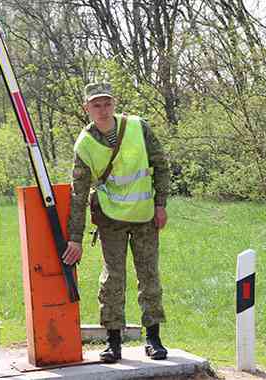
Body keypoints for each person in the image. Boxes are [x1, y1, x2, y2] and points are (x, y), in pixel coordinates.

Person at [62, 82, 170, 363]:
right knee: (113, 279)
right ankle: (113, 341)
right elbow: (78, 194)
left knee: (149, 276)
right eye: (96, 104)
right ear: (87, 108)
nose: (102, 109)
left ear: (114, 103)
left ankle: (153, 337)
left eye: (107, 103)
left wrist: (161, 204)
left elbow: (161, 164)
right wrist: (75, 237)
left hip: (145, 215)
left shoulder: (137, 127)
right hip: (110, 218)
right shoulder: (84, 144)